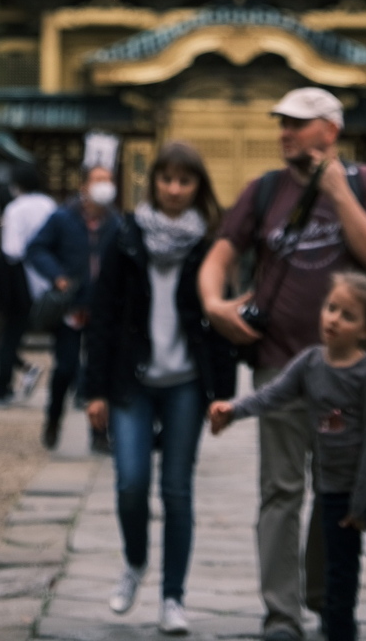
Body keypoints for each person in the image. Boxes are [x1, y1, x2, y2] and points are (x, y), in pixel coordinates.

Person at [198, 86, 366, 641]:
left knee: (334, 487)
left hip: (347, 377)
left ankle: (323, 594)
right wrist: (215, 304)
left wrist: (337, 191)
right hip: (281, 368)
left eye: (299, 123)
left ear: (330, 131)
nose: (286, 132)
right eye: (282, 122)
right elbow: (220, 255)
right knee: (281, 490)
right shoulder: (263, 190)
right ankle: (282, 615)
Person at [86, 142, 235, 636]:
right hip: (132, 379)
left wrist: (224, 393)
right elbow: (102, 316)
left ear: (198, 188)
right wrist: (96, 390)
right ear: (154, 183)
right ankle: (134, 562)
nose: (174, 189)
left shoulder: (209, 244)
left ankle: (173, 597)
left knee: (176, 490)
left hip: (187, 384)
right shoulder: (125, 236)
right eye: (166, 179)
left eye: (185, 181)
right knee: (130, 482)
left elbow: (222, 322)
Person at [210, 272, 366, 641]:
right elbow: (272, 395)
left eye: (347, 316)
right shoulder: (310, 363)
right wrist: (233, 410)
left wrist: (361, 505)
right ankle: (340, 633)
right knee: (338, 571)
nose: (333, 319)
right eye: (331, 308)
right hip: (334, 486)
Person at [26, 162, 121, 450]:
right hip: (70, 307)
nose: (104, 184)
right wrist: (57, 276)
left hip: (104, 308)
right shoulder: (63, 218)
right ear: (84, 186)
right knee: (65, 367)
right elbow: (36, 248)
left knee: (101, 371)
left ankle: (100, 433)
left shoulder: (116, 223)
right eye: (97, 179)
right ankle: (53, 419)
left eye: (108, 179)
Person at [0, 162, 56, 405]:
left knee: (8, 336)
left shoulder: (15, 209)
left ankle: (1, 387)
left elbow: (11, 250)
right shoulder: (50, 206)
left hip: (20, 281)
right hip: (51, 279)